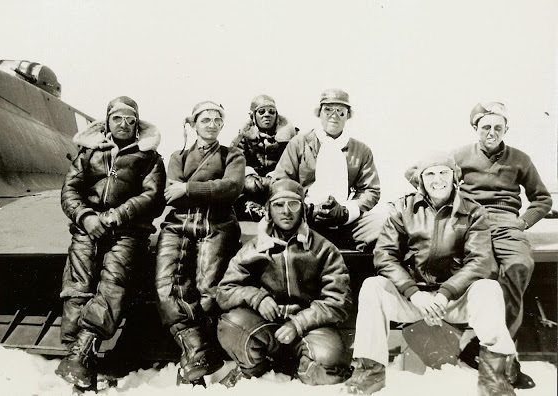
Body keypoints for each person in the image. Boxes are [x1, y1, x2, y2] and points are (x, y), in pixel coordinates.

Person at [345, 153, 519, 396]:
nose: (437, 179)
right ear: (421, 181)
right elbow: (384, 255)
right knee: (373, 287)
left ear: (454, 176)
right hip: (415, 299)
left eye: (443, 172)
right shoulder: (402, 209)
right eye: (430, 174)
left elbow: (479, 261)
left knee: (488, 289)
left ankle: (494, 378)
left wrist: (445, 294)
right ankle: (369, 373)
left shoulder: (474, 212)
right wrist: (414, 294)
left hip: (455, 299)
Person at [405, 102, 551, 388]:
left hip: (505, 223)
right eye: (486, 127)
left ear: (506, 129)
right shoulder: (458, 155)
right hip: (468, 221)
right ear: (475, 129)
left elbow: (542, 199)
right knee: (479, 273)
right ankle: (466, 344)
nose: (492, 132)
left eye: (498, 127)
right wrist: (444, 198)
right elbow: (416, 171)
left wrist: (521, 223)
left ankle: (501, 354)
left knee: (519, 267)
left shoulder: (520, 159)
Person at [57, 96, 166, 388]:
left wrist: (119, 215)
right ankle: (75, 356)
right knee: (76, 287)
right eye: (117, 118)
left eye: (130, 119)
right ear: (107, 121)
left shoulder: (149, 158)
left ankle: (81, 352)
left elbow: (151, 196)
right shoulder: (87, 153)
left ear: (137, 123)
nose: (124, 124)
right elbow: (70, 190)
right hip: (88, 230)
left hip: (127, 232)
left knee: (112, 287)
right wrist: (86, 217)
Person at [216, 179, 352, 387]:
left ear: (303, 209)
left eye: (293, 204)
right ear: (268, 210)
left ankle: (300, 371)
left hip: (309, 330)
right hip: (266, 327)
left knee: (329, 366)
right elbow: (225, 291)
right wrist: (257, 298)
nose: (286, 211)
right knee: (231, 324)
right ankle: (253, 370)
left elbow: (338, 301)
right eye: (279, 205)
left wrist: (298, 323)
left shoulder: (324, 249)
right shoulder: (253, 248)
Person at [154, 101, 245, 386]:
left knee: (207, 293)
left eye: (217, 120)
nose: (212, 124)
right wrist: (204, 190)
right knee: (166, 287)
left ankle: (194, 365)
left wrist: (189, 188)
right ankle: (201, 356)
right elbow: (171, 194)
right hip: (178, 224)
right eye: (205, 120)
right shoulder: (178, 156)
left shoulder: (233, 155)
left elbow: (232, 187)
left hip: (216, 225)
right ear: (193, 124)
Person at [272, 88, 381, 250]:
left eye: (340, 111)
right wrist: (306, 209)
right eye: (328, 110)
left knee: (383, 226)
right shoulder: (299, 143)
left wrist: (345, 212)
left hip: (345, 220)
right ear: (319, 113)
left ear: (348, 115)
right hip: (305, 218)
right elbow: (281, 182)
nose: (334, 115)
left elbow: (370, 190)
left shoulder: (361, 150)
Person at [230, 94, 298, 220]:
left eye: (271, 111)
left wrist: (278, 173)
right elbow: (235, 159)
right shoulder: (244, 137)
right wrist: (249, 173)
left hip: (280, 180)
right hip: (252, 184)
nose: (267, 115)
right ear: (253, 116)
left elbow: (296, 160)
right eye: (261, 111)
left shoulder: (292, 136)